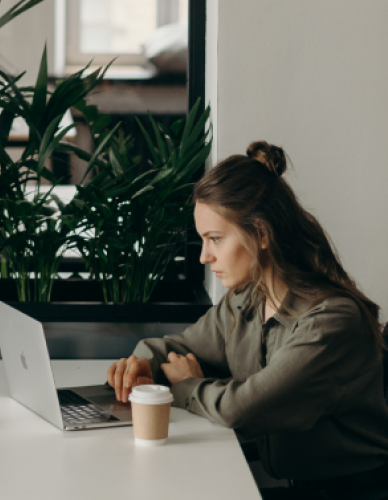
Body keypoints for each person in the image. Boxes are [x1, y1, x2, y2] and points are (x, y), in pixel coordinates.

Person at [106, 142, 388, 500]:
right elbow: (183, 347)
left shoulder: (332, 323)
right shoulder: (247, 299)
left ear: (261, 234)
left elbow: (244, 408)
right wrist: (142, 365)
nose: (205, 257)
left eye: (215, 239)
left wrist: (189, 385)